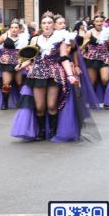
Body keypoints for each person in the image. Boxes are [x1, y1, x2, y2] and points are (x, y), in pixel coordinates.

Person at [11, 14, 92, 142]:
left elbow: (64, 58)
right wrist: (21, 65)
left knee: (52, 105)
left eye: (49, 23)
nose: (47, 25)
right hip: (37, 73)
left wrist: (70, 75)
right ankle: (42, 132)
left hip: (55, 74)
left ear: (53, 25)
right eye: (44, 23)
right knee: (39, 106)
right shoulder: (35, 39)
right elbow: (31, 58)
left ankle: (53, 131)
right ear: (41, 25)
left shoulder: (60, 38)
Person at [81, 15, 109, 107]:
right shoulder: (89, 33)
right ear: (94, 22)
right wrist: (85, 44)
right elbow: (82, 48)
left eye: (100, 21)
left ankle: (106, 100)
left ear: (103, 22)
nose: (99, 23)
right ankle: (92, 101)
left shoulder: (107, 33)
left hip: (104, 58)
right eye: (97, 21)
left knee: (105, 79)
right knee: (92, 82)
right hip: (92, 59)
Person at [0, 21, 26, 110]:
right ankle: (4, 103)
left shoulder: (23, 38)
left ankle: (21, 101)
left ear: (19, 29)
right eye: (12, 27)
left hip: (18, 62)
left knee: (19, 83)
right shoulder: (5, 36)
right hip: (6, 63)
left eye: (16, 28)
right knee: (6, 83)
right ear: (10, 29)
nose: (14, 29)